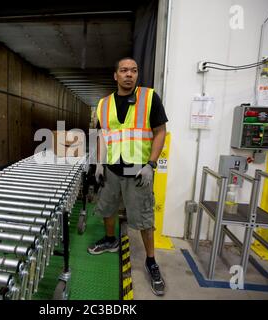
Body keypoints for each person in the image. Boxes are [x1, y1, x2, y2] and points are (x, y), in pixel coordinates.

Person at [87, 57, 168, 296]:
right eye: (123, 70)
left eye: (133, 70)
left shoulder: (150, 97)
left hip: (138, 170)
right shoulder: (103, 104)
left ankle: (151, 261)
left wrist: (151, 165)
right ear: (116, 75)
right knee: (108, 208)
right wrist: (100, 164)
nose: (129, 74)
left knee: (143, 217)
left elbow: (160, 131)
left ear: (137, 74)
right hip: (112, 168)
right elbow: (103, 134)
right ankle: (111, 240)